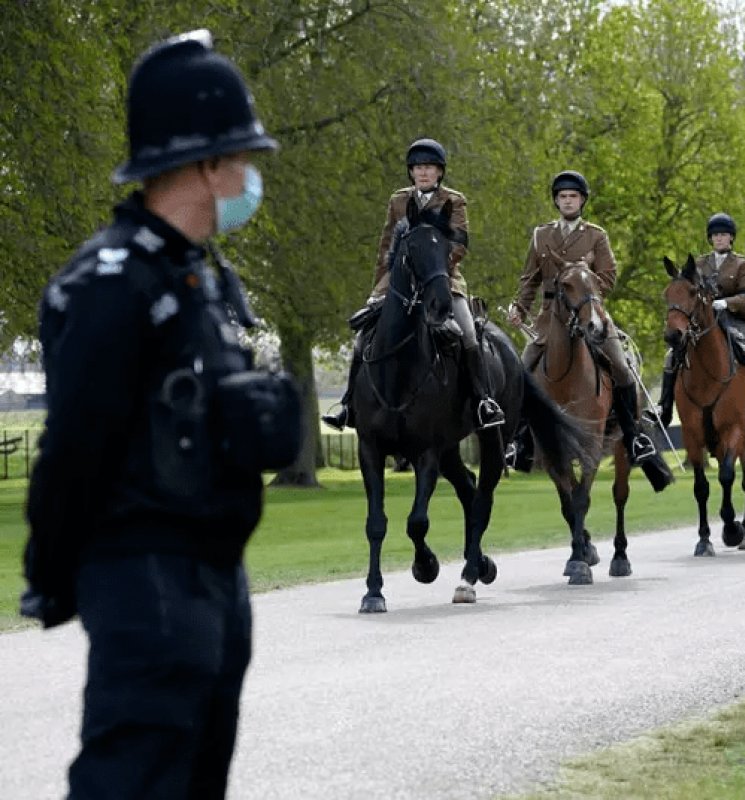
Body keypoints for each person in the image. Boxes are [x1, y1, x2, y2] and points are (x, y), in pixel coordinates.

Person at [21, 30, 300, 797]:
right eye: (240, 158)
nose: (249, 175)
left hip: (212, 579)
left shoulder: (199, 280)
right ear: (207, 165)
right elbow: (75, 443)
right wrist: (51, 571)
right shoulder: (113, 282)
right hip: (146, 584)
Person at [322, 138, 504, 432]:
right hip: (398, 284)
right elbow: (385, 248)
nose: (423, 172)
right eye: (418, 167)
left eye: (429, 167)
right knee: (363, 336)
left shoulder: (454, 201)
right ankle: (348, 404)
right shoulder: (398, 201)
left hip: (442, 280)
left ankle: (484, 402)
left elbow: (459, 246)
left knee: (468, 333)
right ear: (411, 172)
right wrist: (377, 290)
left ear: (439, 172)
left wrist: (430, 272)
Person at [506, 170, 655, 464]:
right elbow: (529, 280)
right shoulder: (541, 235)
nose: (568, 201)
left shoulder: (596, 236)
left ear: (582, 200)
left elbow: (609, 277)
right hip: (550, 317)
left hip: (589, 311)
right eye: (563, 197)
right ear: (556, 201)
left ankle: (634, 435)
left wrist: (581, 277)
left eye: (573, 196)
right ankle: (519, 440)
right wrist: (519, 308)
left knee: (622, 369)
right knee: (520, 371)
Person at [652, 212, 745, 426]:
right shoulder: (699, 263)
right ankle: (664, 407)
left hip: (734, 318)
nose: (719, 238)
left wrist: (726, 303)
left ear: (731, 238)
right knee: (670, 357)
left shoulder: (741, 264)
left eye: (724, 234)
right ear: (710, 238)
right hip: (703, 321)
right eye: (715, 235)